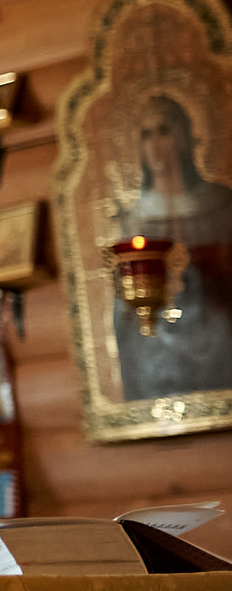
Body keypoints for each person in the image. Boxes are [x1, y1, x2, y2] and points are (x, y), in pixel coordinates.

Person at [115, 91, 232, 400]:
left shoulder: (222, 205)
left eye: (164, 131)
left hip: (220, 336)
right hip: (159, 355)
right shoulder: (132, 221)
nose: (155, 144)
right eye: (146, 135)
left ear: (183, 137)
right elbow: (124, 315)